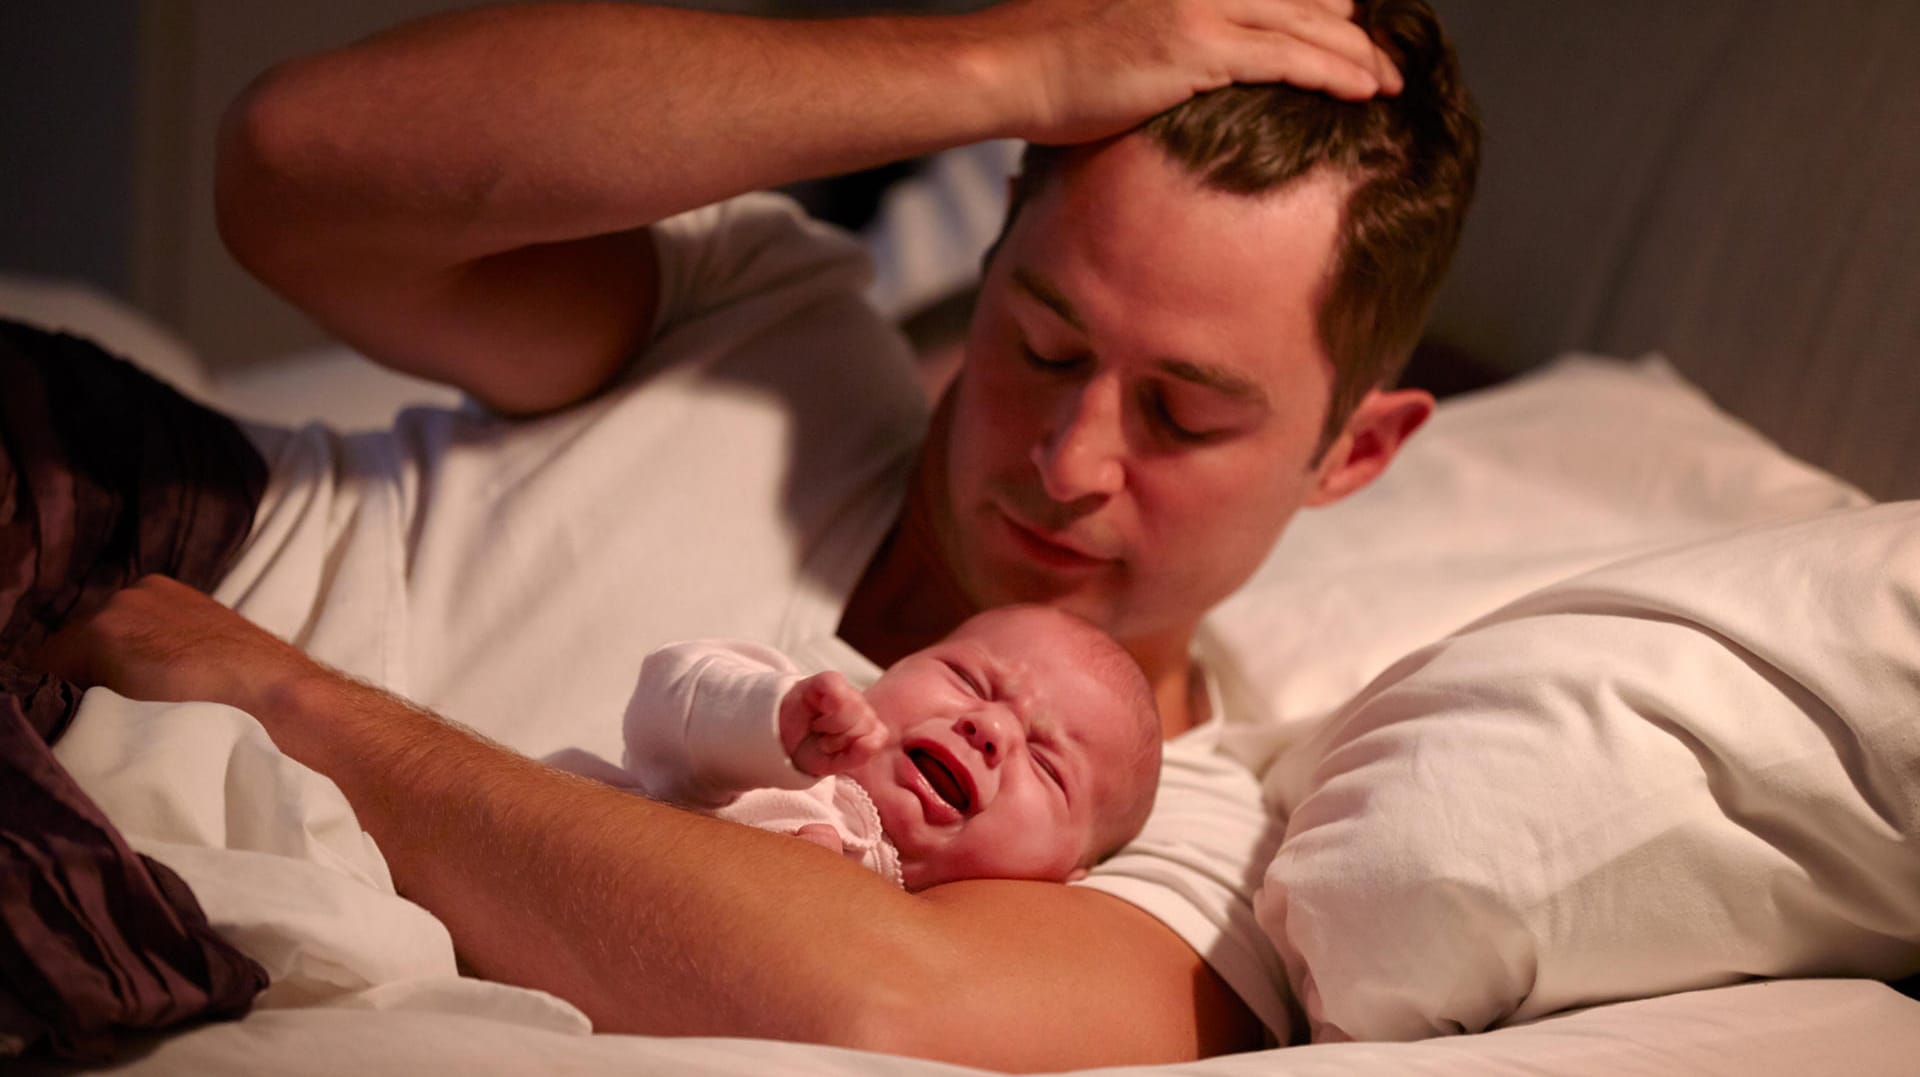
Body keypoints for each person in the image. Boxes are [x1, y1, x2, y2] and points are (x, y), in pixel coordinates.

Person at [40, 0, 1479, 1067]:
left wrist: (280, 694)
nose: (1069, 457)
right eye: (1042, 344)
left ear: (1352, 452)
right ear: (984, 272)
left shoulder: (1202, 844)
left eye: (1184, 415)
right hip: (120, 501)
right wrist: (1003, 69)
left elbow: (881, 997)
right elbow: (294, 162)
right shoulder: (765, 328)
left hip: (141, 745)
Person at [599, 604, 1162, 891]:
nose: (990, 729)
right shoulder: (780, 758)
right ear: (884, 675)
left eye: (1046, 765)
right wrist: (772, 721)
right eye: (967, 680)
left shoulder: (957, 943)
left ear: (1062, 879)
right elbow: (662, 702)